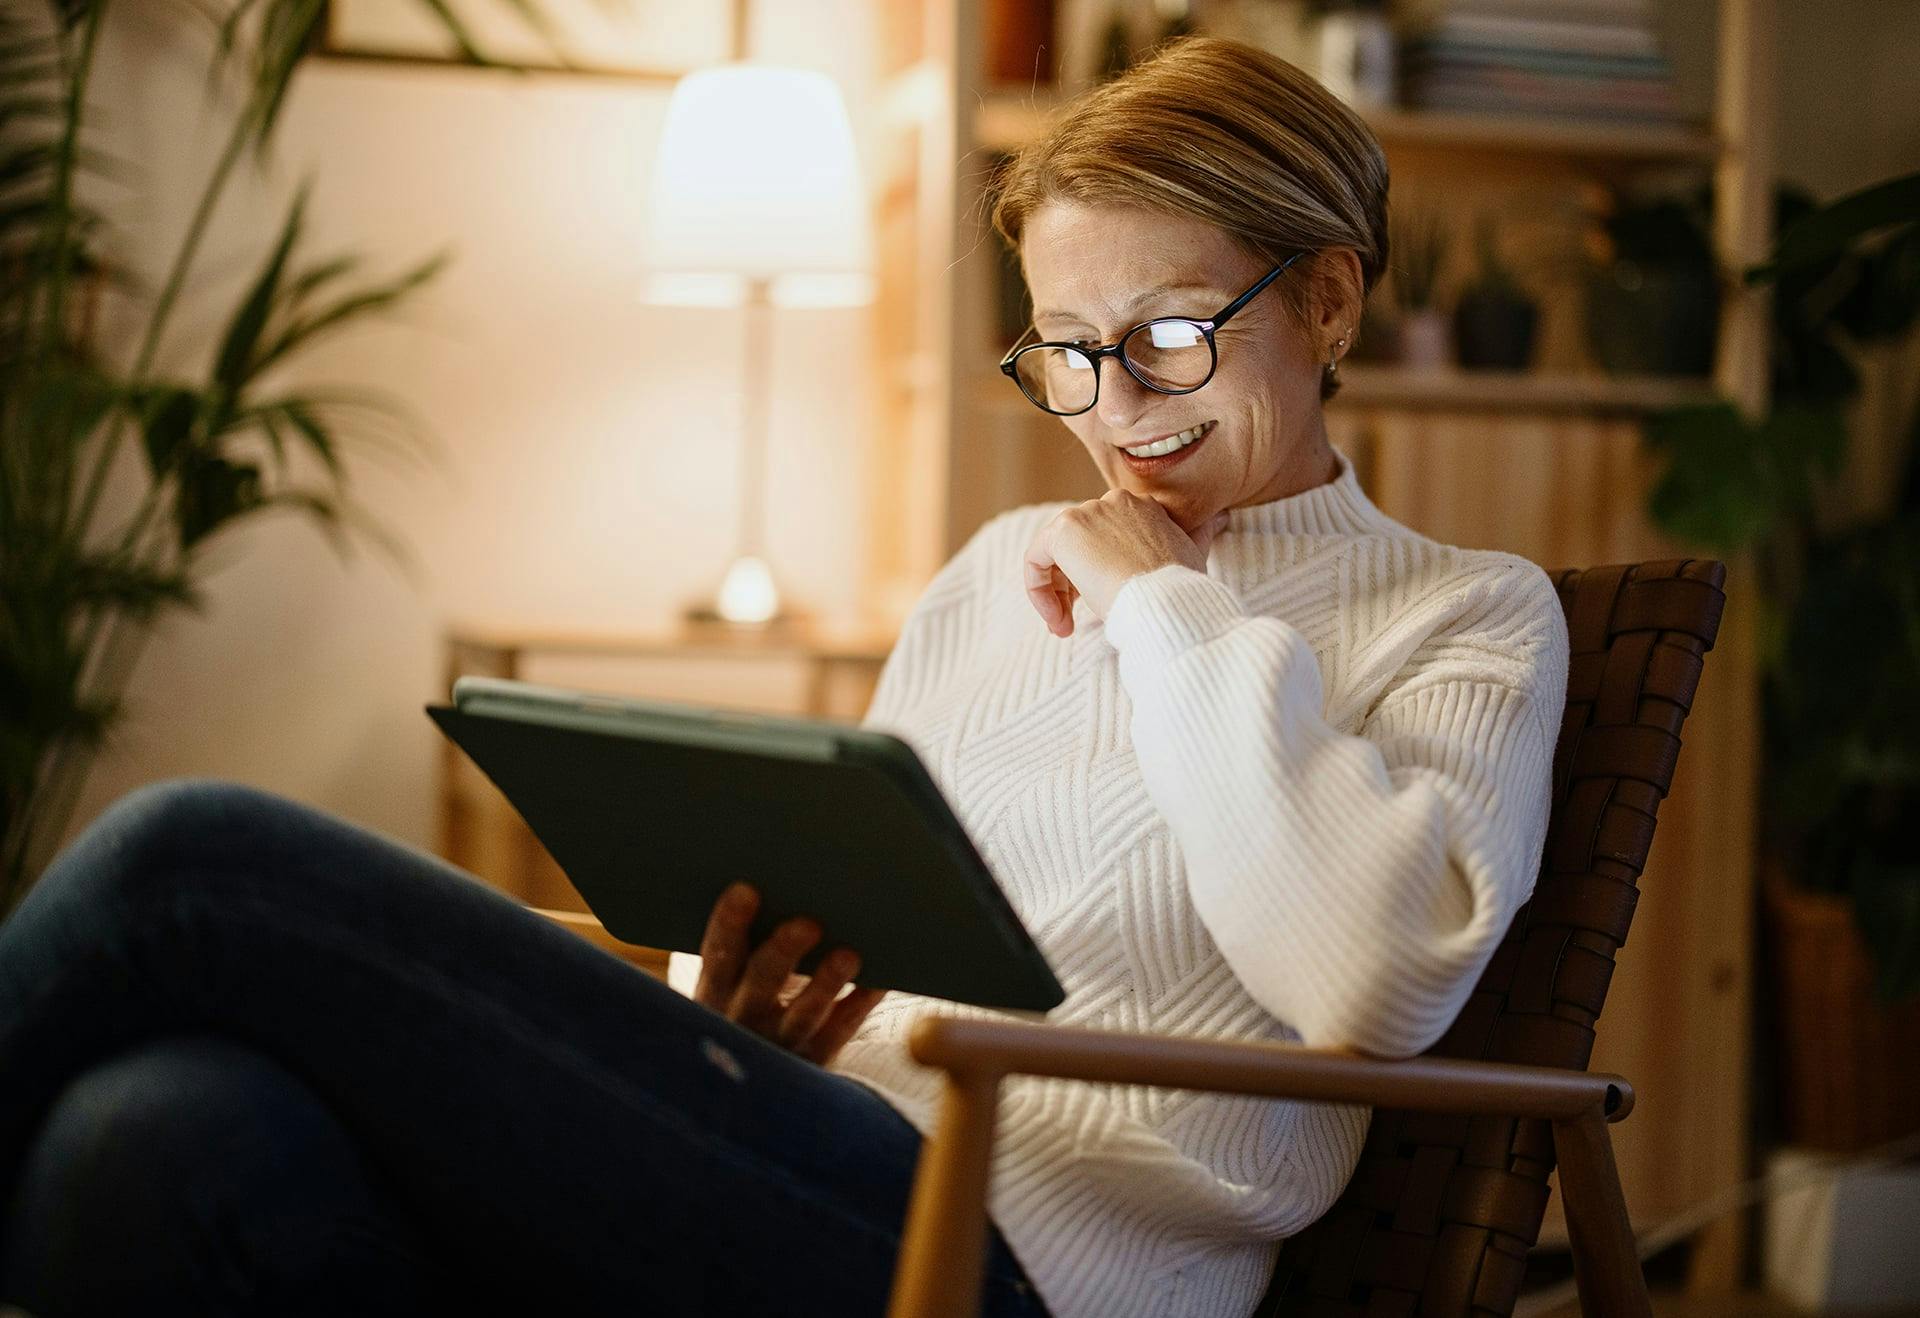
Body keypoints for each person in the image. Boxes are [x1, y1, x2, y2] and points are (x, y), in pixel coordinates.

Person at [0, 35, 1569, 1318]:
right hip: (778, 1169)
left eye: (1165, 336)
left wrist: (1167, 609)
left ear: (1332, 297)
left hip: (998, 1267)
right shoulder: (991, 580)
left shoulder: (1466, 618)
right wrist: (736, 1006)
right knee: (151, 1140)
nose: (1114, 410)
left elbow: (1368, 975)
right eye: (1065, 352)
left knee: (189, 859)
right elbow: (864, 902)